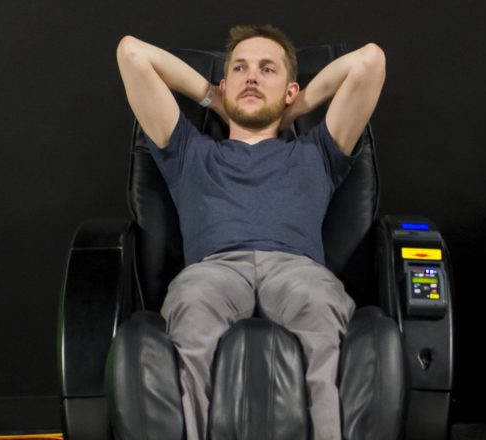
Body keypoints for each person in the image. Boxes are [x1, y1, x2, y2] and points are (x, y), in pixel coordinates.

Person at [116, 24, 385, 440]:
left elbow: (370, 61)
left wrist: (289, 111)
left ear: (291, 89)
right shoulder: (189, 151)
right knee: (193, 304)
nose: (252, 76)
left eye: (267, 69)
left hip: (297, 271)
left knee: (317, 307)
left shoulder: (319, 152)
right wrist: (212, 98)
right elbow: (132, 54)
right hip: (213, 271)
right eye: (239, 69)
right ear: (226, 84)